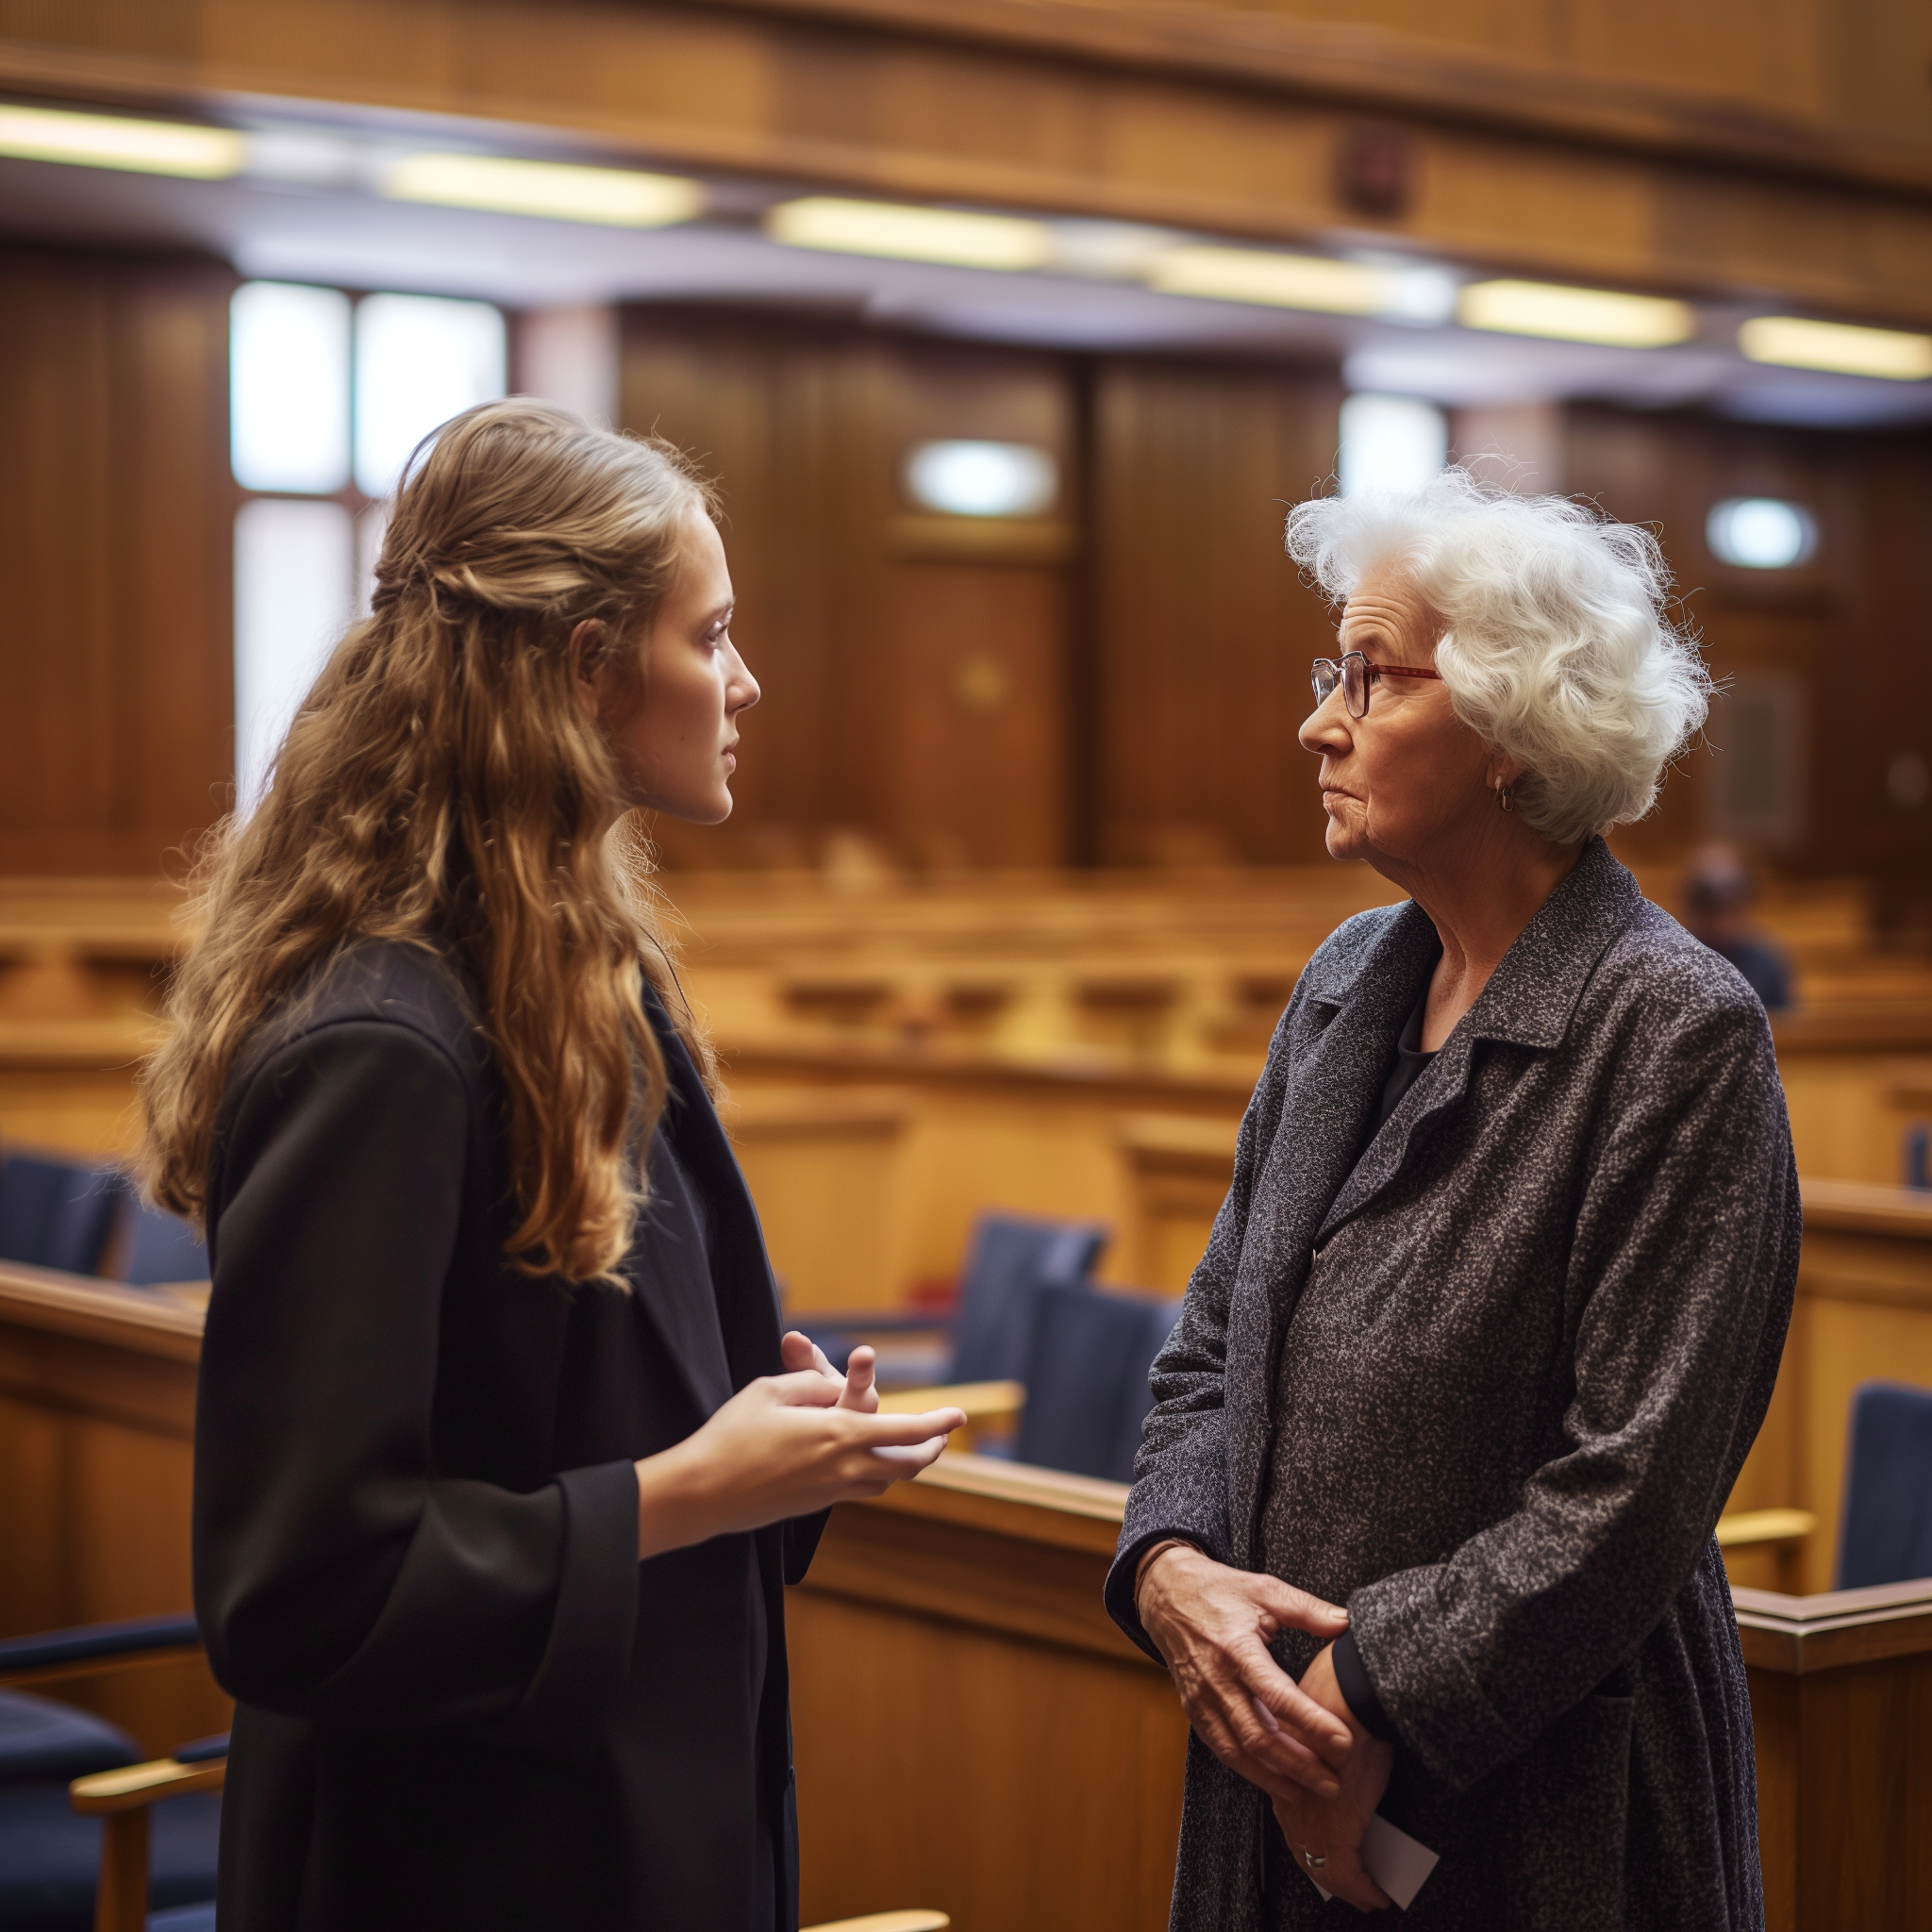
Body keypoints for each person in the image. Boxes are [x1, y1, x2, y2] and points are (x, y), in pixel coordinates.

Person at [138, 399, 964, 1932]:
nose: (745, 680)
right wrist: (679, 1486)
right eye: (708, 636)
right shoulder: (384, 1042)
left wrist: (768, 1455)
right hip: (453, 1859)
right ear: (585, 665)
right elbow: (297, 1588)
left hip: (628, 1820)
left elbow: (560, 1408)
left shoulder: (586, 978)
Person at [1105, 470, 1798, 1928]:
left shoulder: (1672, 1027)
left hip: (1533, 1800)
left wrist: (1365, 1692)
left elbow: (1633, 1490)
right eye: (1329, 672)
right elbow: (1210, 1351)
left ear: (1510, 726)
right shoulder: (1347, 980)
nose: (1320, 719)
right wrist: (1171, 1570)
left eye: (1370, 674)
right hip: (1280, 1751)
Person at [1682, 842, 1793, 1011]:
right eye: (1713, 911)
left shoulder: (1767, 963)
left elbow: (1788, 1032)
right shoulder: (1675, 960)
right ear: (1695, 910)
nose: (1723, 925)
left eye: (1732, 911)